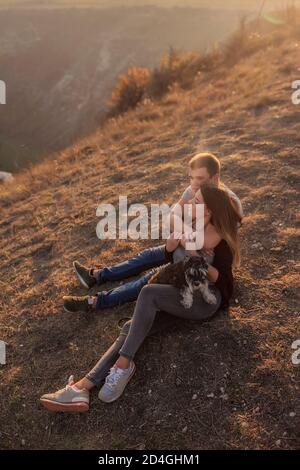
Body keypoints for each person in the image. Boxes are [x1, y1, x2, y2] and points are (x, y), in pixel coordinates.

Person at [40, 183, 241, 412]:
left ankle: (123, 364)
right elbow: (174, 257)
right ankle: (81, 388)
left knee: (148, 292)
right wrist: (170, 247)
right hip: (179, 295)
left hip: (204, 301)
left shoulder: (220, 240)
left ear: (208, 210)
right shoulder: (193, 226)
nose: (189, 203)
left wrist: (195, 255)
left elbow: (223, 283)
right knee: (129, 327)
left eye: (196, 202)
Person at [63, 152, 243, 313]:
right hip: (184, 248)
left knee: (147, 280)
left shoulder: (229, 202)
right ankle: (98, 275)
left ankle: (96, 301)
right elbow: (172, 217)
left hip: (202, 264)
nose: (194, 184)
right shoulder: (195, 190)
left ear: (215, 177)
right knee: (147, 255)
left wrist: (183, 237)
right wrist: (184, 235)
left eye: (200, 178)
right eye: (191, 178)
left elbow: (206, 243)